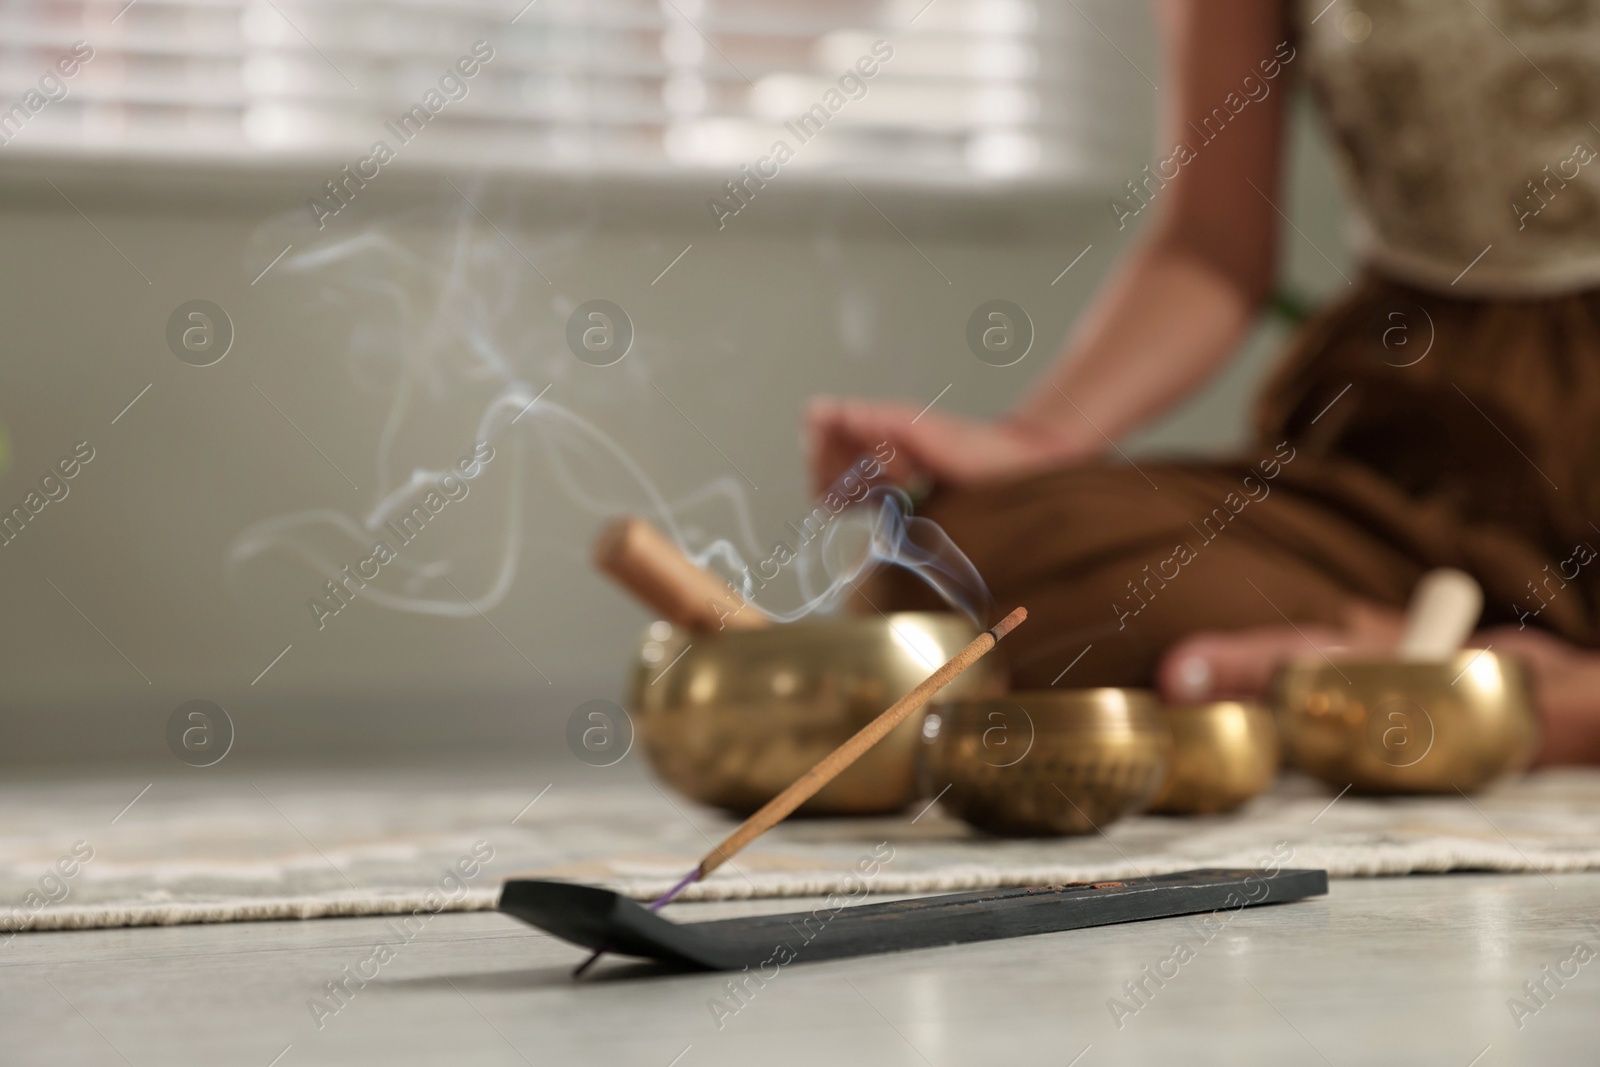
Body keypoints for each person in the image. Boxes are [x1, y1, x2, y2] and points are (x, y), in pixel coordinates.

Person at [806, 0, 1600, 764]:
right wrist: (1031, 442)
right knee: (951, 575)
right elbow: (1209, 247)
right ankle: (1430, 659)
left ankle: (1528, 696)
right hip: (1405, 447)